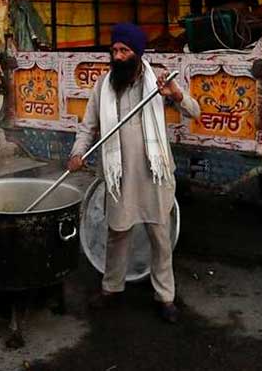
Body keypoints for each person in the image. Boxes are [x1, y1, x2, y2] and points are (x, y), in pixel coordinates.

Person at [68, 23, 200, 324]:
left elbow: (195, 112)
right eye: (114, 50)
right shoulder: (103, 85)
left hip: (154, 174)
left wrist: (176, 94)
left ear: (137, 54)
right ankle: (111, 288)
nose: (118, 55)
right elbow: (88, 126)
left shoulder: (159, 81)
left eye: (124, 50)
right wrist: (77, 152)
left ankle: (165, 297)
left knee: (159, 235)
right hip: (120, 175)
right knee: (118, 232)